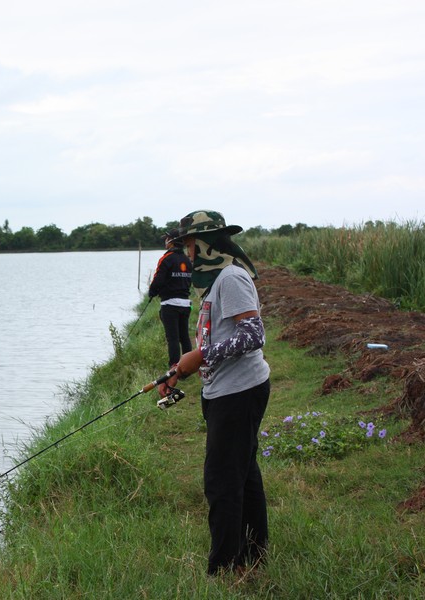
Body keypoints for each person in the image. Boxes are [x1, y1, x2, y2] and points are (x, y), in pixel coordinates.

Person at [158, 210, 270, 576]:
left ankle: (223, 568)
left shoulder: (232, 278)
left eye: (188, 246)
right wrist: (179, 370)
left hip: (239, 394)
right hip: (224, 392)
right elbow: (218, 338)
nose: (186, 255)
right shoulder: (216, 282)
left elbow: (253, 336)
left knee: (222, 483)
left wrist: (200, 356)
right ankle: (252, 557)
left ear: (205, 245)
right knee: (243, 474)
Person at [148, 231, 193, 368]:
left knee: (173, 338)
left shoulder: (166, 258)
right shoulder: (187, 259)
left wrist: (152, 292)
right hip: (185, 304)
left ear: (171, 241)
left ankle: (174, 367)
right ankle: (189, 366)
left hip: (169, 304)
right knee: (184, 337)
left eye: (166, 239)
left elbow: (158, 279)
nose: (165, 241)